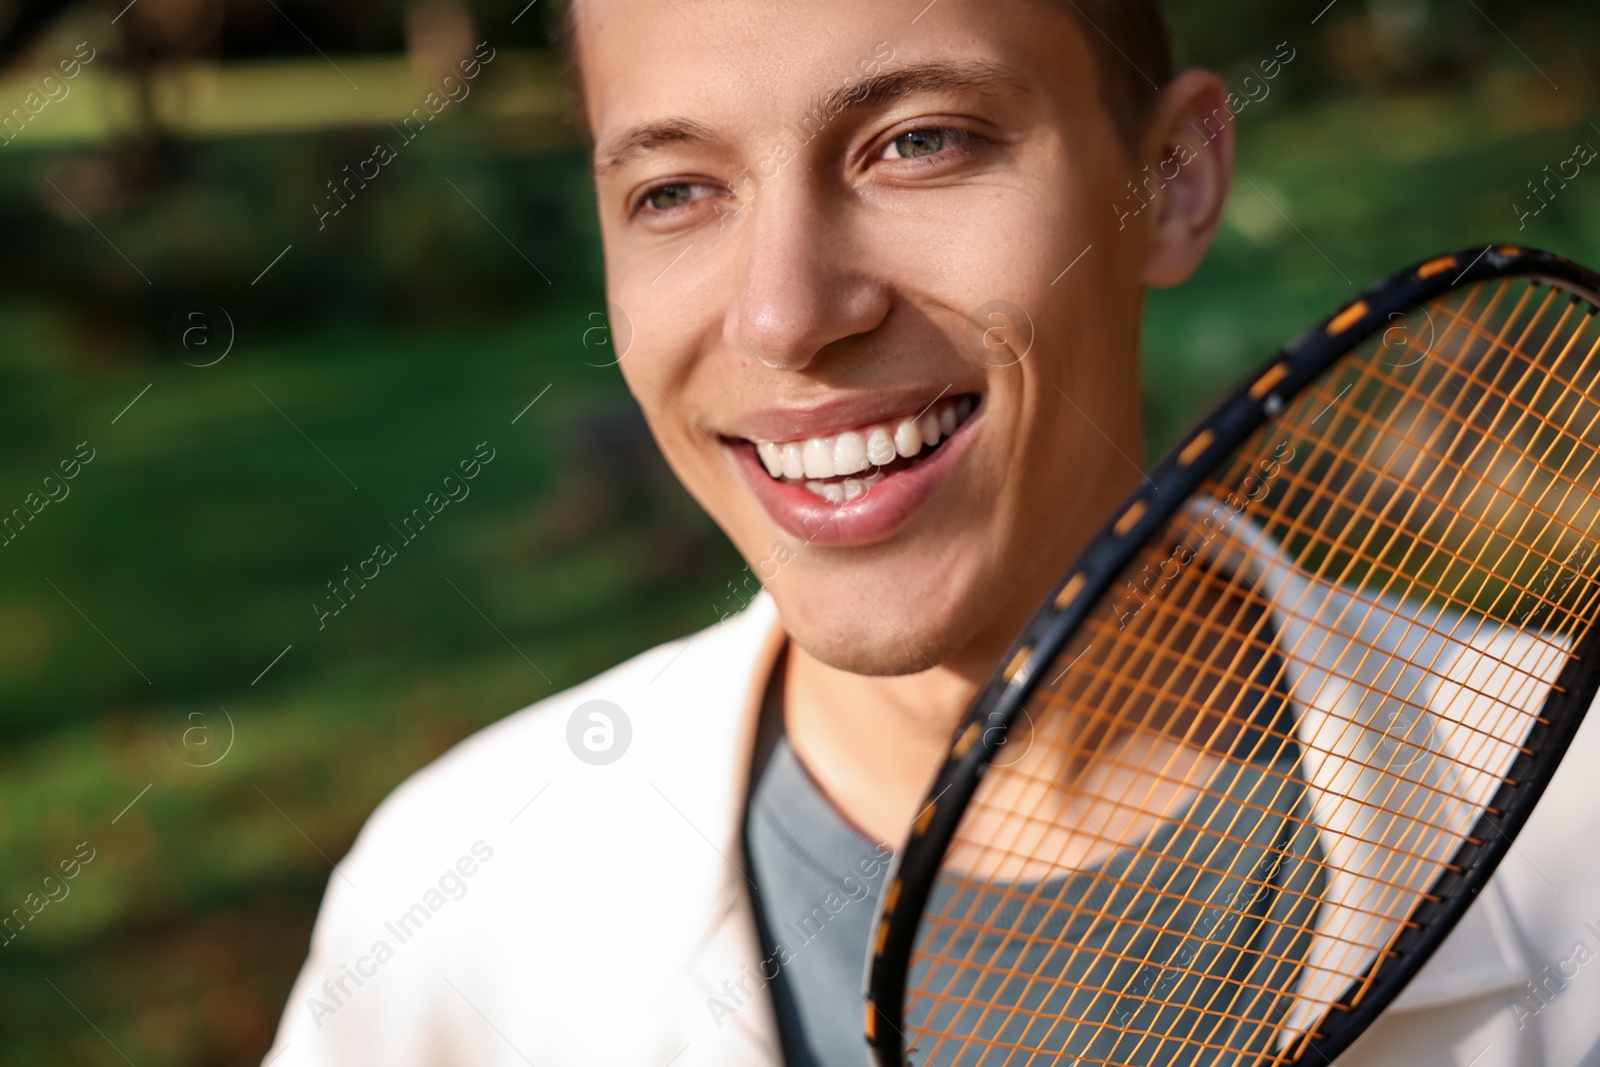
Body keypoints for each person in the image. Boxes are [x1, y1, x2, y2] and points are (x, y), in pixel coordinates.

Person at [265, 1, 1600, 1064]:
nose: (787, 314)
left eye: (920, 142)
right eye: (675, 189)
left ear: (1173, 183)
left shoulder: (1574, 840)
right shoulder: (455, 901)